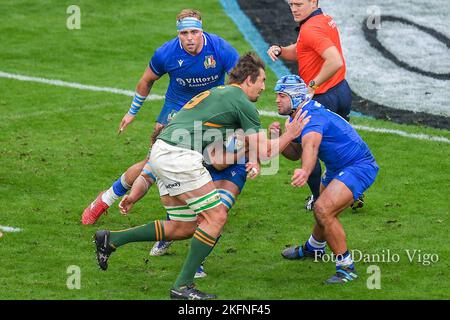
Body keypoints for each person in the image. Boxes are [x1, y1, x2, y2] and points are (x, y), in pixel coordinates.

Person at [92, 53, 311, 300]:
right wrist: (290, 133)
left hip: (161, 153)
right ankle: (183, 286)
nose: (263, 88)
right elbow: (266, 151)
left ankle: (112, 240)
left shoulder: (218, 93)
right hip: (179, 156)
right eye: (261, 81)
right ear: (249, 80)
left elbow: (218, 155)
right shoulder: (243, 103)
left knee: (182, 227)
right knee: (216, 216)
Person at [81, 9, 240, 227]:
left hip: (210, 112)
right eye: (184, 33)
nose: (190, 38)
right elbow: (146, 80)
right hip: (176, 111)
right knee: (153, 165)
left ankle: (176, 223)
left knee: (208, 161)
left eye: (194, 32)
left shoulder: (220, 48)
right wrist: (132, 112)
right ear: (178, 34)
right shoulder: (166, 53)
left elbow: (239, 81)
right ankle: (105, 200)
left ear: (202, 30)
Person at [269, 74, 378, 284]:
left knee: (323, 209)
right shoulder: (295, 117)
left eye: (282, 95)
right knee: (321, 207)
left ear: (294, 97)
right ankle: (314, 248)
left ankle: (346, 267)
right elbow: (295, 153)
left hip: (358, 166)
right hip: (340, 166)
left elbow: (311, 146)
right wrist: (280, 137)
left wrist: (305, 170)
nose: (277, 100)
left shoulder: (310, 118)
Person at [267, 0, 363, 211]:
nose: (293, 8)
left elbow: (334, 60)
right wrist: (281, 51)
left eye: (299, 3)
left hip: (322, 97)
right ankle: (353, 189)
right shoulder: (323, 20)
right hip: (341, 91)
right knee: (339, 145)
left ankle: (319, 198)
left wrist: (312, 85)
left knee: (307, 149)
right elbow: (303, 50)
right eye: (291, 3)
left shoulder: (310, 28)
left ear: (313, 1)